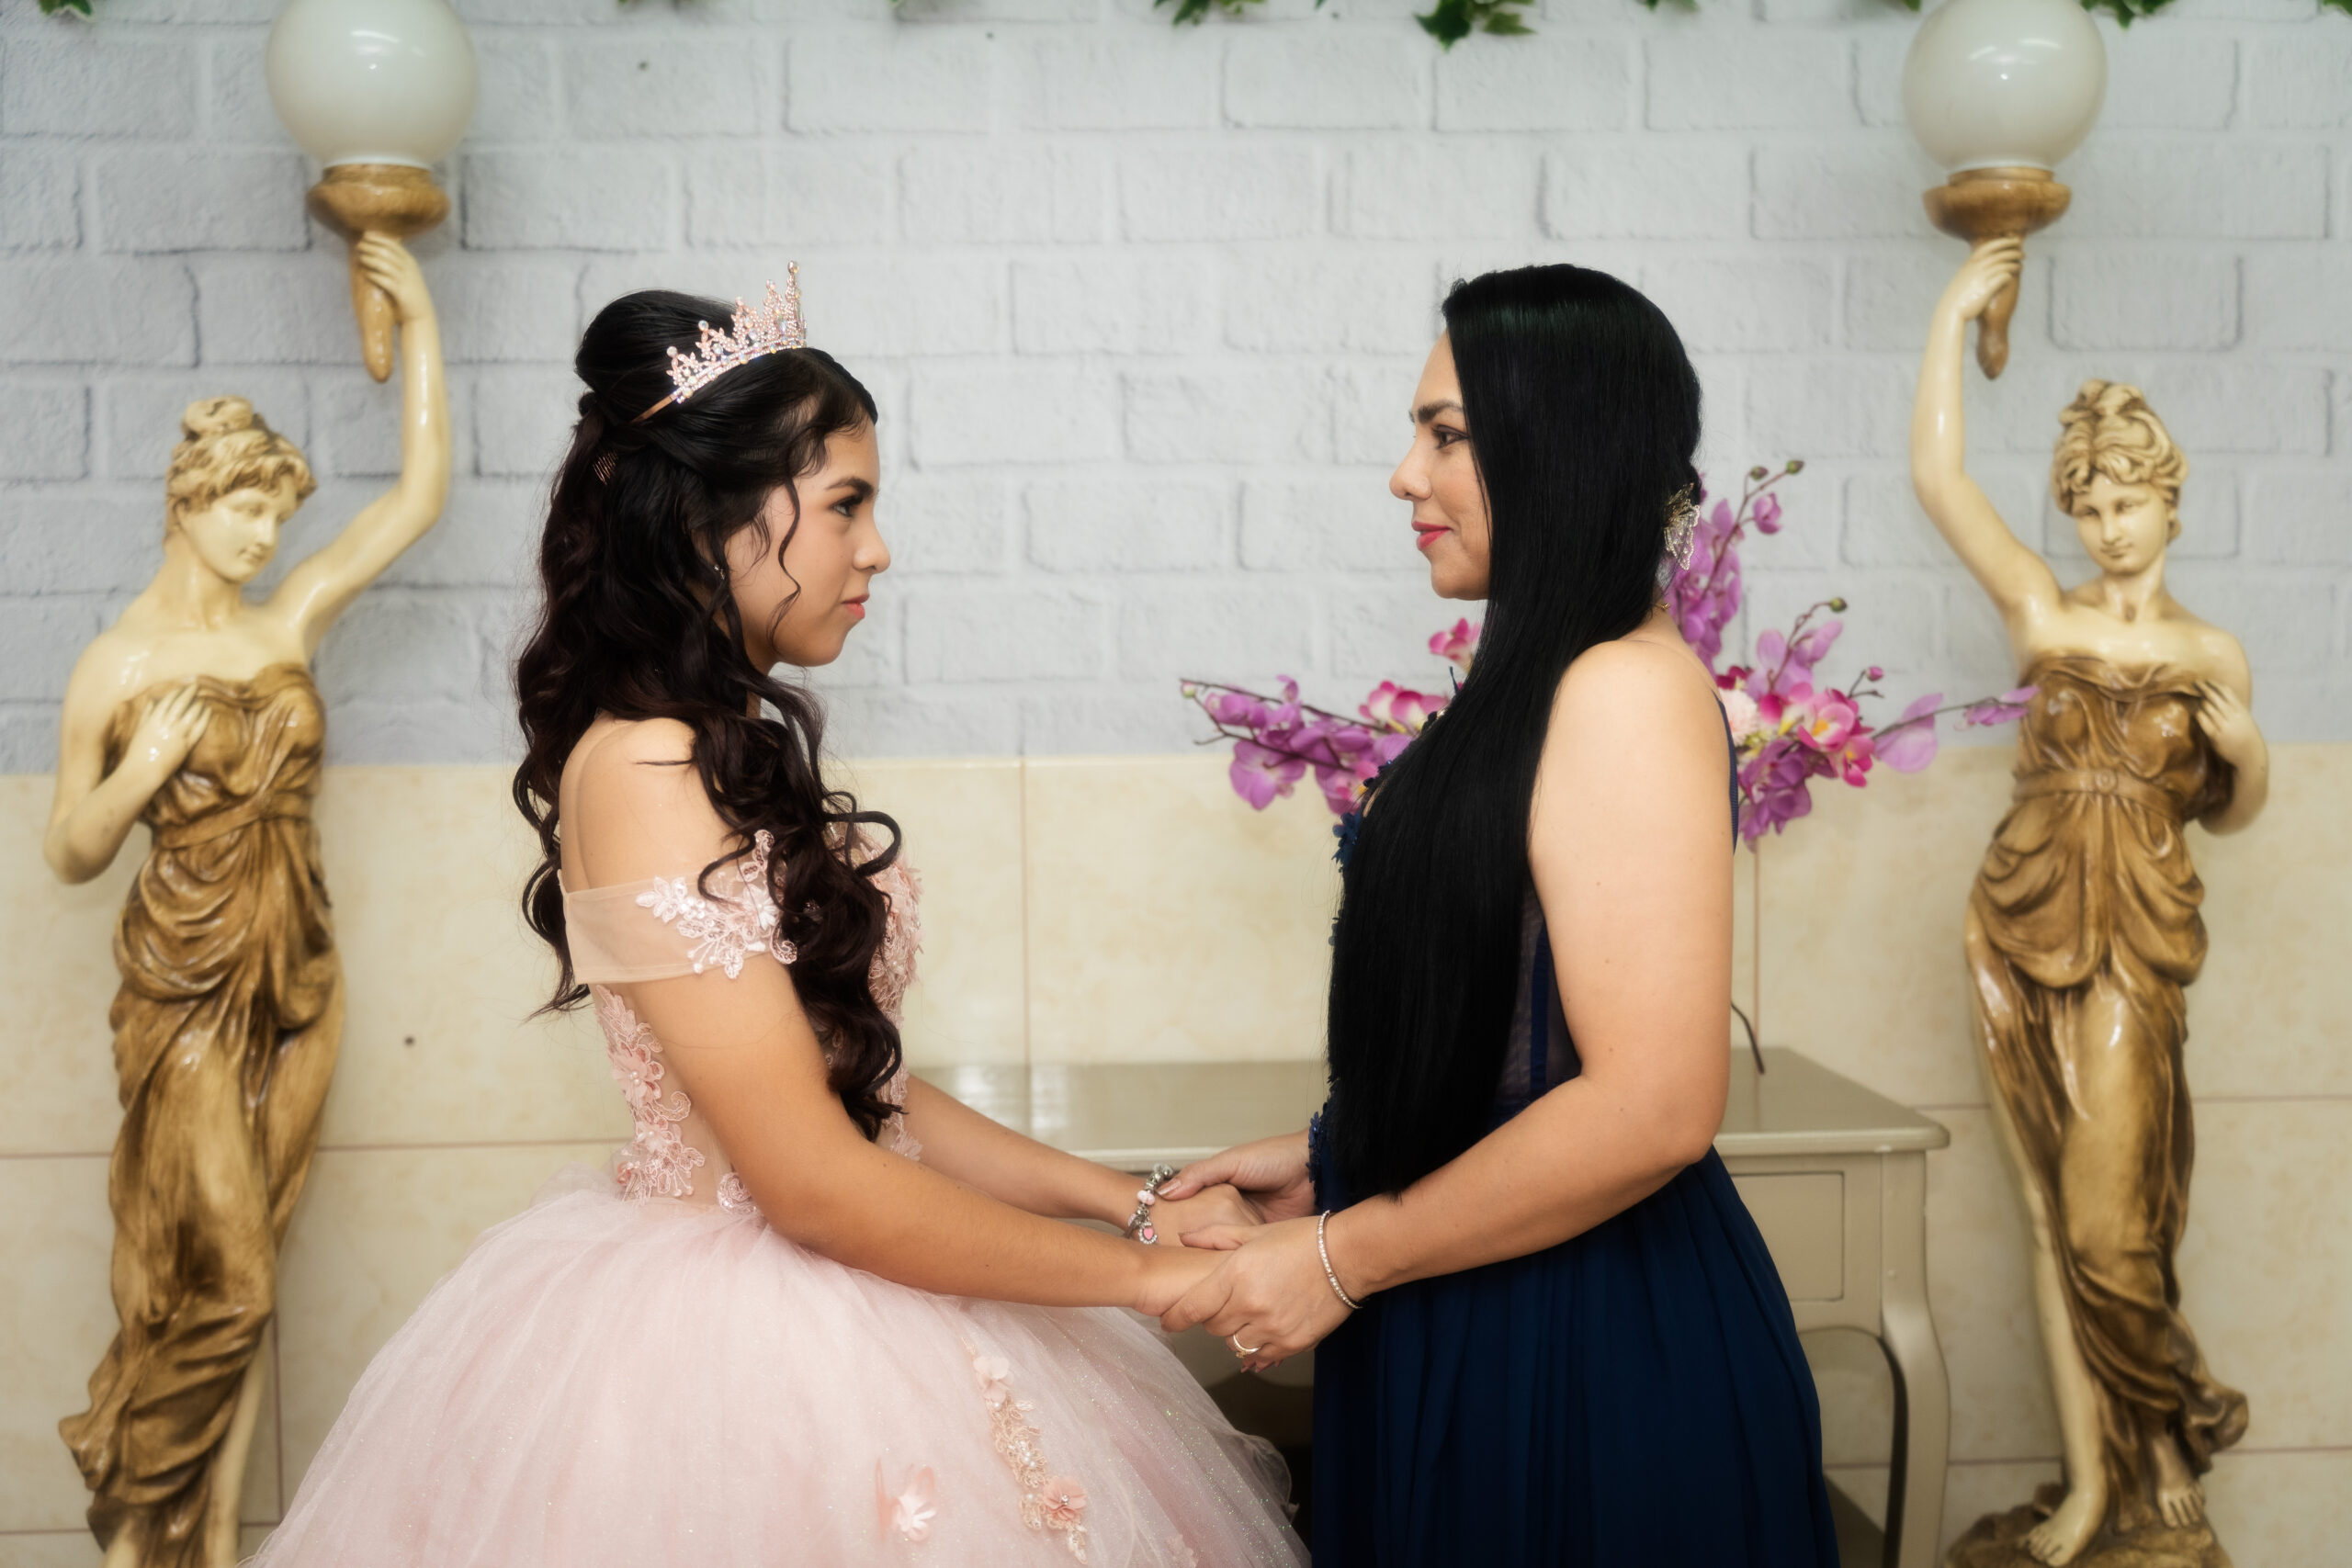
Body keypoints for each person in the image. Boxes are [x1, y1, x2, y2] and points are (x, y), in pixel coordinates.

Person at [248, 278, 1306, 1567]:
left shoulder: (718, 746)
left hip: (845, 1286)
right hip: (736, 1355)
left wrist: (1131, 1205)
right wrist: (1152, 1281)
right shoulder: (643, 769)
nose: (878, 550)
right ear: (710, 521)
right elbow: (809, 1180)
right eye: (848, 504)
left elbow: (857, 1088)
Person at [1156, 265, 1840, 1567]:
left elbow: (1653, 1106)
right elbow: (1521, 1037)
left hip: (1578, 1344)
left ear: (1558, 447)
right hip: (1471, 1284)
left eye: (1446, 435)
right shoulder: (1547, 681)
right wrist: (1339, 1153)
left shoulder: (1626, 691)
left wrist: (1344, 1255)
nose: (1404, 477)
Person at [44, 236, 450, 1568]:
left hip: (301, 969)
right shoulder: (118, 663)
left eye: (278, 517)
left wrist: (421, 323)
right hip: (186, 985)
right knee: (224, 1279)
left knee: (256, 1260)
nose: (268, 537)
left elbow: (416, 499)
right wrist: (140, 771)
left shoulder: (285, 625)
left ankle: (211, 1538)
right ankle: (131, 1504)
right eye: (247, 511)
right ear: (190, 500)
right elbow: (67, 849)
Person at [1914, 240, 2259, 1565]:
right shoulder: (2044, 617)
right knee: (2047, 1211)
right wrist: (1954, 316)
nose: (2110, 526)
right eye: (2091, 506)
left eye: (2131, 502)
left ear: (2170, 503)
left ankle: (2164, 1436)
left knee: (2116, 1224)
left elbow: (2226, 811)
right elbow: (1940, 481)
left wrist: (2252, 754)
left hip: (2138, 944)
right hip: (2021, 917)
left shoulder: (2209, 652)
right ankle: (2094, 1485)